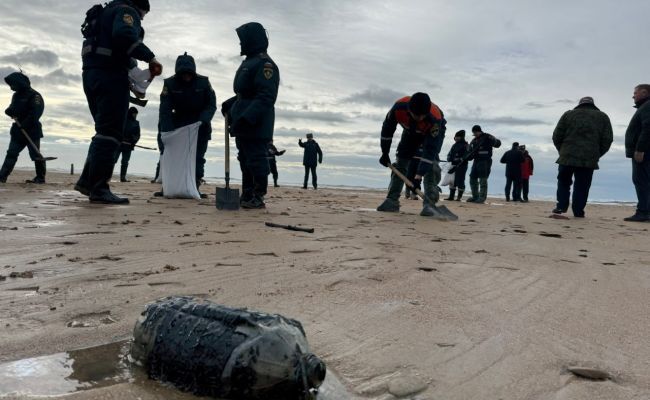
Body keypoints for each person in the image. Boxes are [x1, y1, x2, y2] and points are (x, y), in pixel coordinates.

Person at [75, 0, 162, 204]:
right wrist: (151, 58)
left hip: (92, 75)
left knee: (103, 130)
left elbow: (122, 55)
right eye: (143, 15)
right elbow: (124, 36)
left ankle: (87, 183)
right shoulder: (125, 11)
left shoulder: (105, 16)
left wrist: (141, 79)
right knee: (111, 133)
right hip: (110, 77)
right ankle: (99, 188)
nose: (140, 20)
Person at [222, 22, 280, 209]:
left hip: (256, 121)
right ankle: (247, 192)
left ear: (253, 40)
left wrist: (248, 117)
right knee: (244, 158)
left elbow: (266, 96)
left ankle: (258, 194)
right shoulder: (249, 62)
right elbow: (245, 93)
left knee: (256, 158)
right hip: (241, 118)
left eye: (243, 40)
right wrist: (231, 105)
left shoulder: (265, 64)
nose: (240, 44)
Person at [377, 92, 446, 216]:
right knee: (401, 161)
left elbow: (429, 151)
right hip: (410, 132)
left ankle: (430, 203)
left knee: (431, 165)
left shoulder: (434, 118)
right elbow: (387, 130)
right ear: (409, 110)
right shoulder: (398, 108)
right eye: (416, 115)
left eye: (422, 116)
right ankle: (392, 200)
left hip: (431, 132)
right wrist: (385, 152)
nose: (419, 118)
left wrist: (418, 176)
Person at [157, 52, 216, 198]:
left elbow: (211, 104)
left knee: (198, 158)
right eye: (183, 74)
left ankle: (195, 185)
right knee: (173, 157)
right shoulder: (169, 84)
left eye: (189, 74)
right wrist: (167, 131)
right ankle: (168, 186)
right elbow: (165, 109)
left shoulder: (204, 82)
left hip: (200, 125)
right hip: (178, 124)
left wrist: (203, 120)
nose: (186, 77)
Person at [552, 96, 613, 217]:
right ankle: (578, 211)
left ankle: (561, 206)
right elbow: (607, 139)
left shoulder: (568, 115)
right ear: (593, 104)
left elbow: (556, 136)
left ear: (580, 104)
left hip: (567, 156)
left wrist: (562, 150)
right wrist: (597, 154)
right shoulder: (603, 117)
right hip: (588, 159)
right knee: (582, 186)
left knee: (563, 182)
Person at [0, 72, 46, 184]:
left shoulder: (35, 96)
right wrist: (9, 111)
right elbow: (13, 108)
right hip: (17, 131)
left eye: (13, 84)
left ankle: (40, 178)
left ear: (19, 82)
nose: (11, 87)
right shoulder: (16, 95)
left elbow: (35, 113)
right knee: (11, 153)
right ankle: (2, 176)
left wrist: (25, 124)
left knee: (36, 155)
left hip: (32, 131)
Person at [623, 84, 650, 222]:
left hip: (644, 151)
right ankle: (645, 211)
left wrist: (640, 149)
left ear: (644, 93)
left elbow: (648, 128)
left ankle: (643, 212)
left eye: (635, 93)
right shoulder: (644, 107)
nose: (633, 96)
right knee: (644, 181)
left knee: (641, 180)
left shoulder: (647, 106)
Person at [466, 125, 501, 203]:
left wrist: (494, 140)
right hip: (476, 161)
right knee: (472, 178)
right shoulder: (474, 140)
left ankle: (482, 198)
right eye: (473, 133)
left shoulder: (487, 137)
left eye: (475, 133)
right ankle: (475, 196)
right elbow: (470, 153)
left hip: (485, 161)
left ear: (479, 131)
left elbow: (498, 144)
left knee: (483, 179)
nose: (474, 134)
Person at [115, 107, 141, 182]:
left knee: (125, 162)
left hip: (129, 146)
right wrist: (119, 138)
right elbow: (118, 129)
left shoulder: (136, 123)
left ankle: (123, 177)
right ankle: (107, 175)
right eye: (134, 114)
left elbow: (138, 135)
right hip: (119, 144)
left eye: (136, 114)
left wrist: (133, 141)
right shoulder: (122, 120)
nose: (135, 115)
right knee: (114, 160)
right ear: (131, 113)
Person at [445, 130, 469, 201]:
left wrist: (460, 159)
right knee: (452, 181)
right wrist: (449, 158)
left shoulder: (466, 145)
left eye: (458, 136)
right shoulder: (454, 145)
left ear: (462, 137)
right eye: (455, 137)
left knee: (460, 180)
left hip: (462, 165)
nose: (456, 138)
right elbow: (449, 154)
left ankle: (459, 197)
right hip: (453, 165)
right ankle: (451, 196)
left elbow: (467, 155)